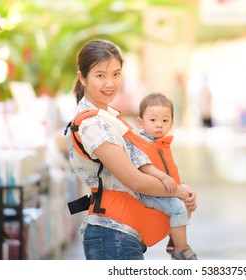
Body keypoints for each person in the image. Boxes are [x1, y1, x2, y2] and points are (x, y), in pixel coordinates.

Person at [68, 39, 197, 260]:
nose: (110, 83)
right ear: (83, 77)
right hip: (112, 235)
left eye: (116, 74)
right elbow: (134, 180)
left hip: (124, 233)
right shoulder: (92, 125)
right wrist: (177, 191)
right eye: (100, 75)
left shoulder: (109, 116)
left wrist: (180, 192)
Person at [125, 93, 198, 260]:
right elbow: (144, 166)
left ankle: (173, 240)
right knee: (178, 207)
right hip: (148, 192)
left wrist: (183, 187)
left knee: (187, 202)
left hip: (165, 189)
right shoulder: (139, 141)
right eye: (153, 120)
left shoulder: (161, 143)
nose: (159, 125)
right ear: (141, 122)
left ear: (172, 123)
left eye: (165, 121)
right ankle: (181, 250)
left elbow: (169, 171)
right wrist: (165, 179)